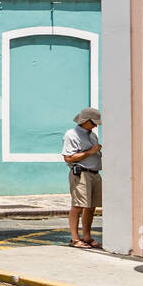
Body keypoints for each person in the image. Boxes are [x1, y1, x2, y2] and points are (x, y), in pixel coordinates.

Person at [63, 107, 103, 250]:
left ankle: (87, 236)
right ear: (85, 121)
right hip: (81, 173)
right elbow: (68, 158)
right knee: (78, 206)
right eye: (93, 123)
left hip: (94, 173)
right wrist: (91, 152)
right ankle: (74, 238)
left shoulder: (92, 135)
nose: (95, 126)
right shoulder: (71, 135)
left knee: (91, 206)